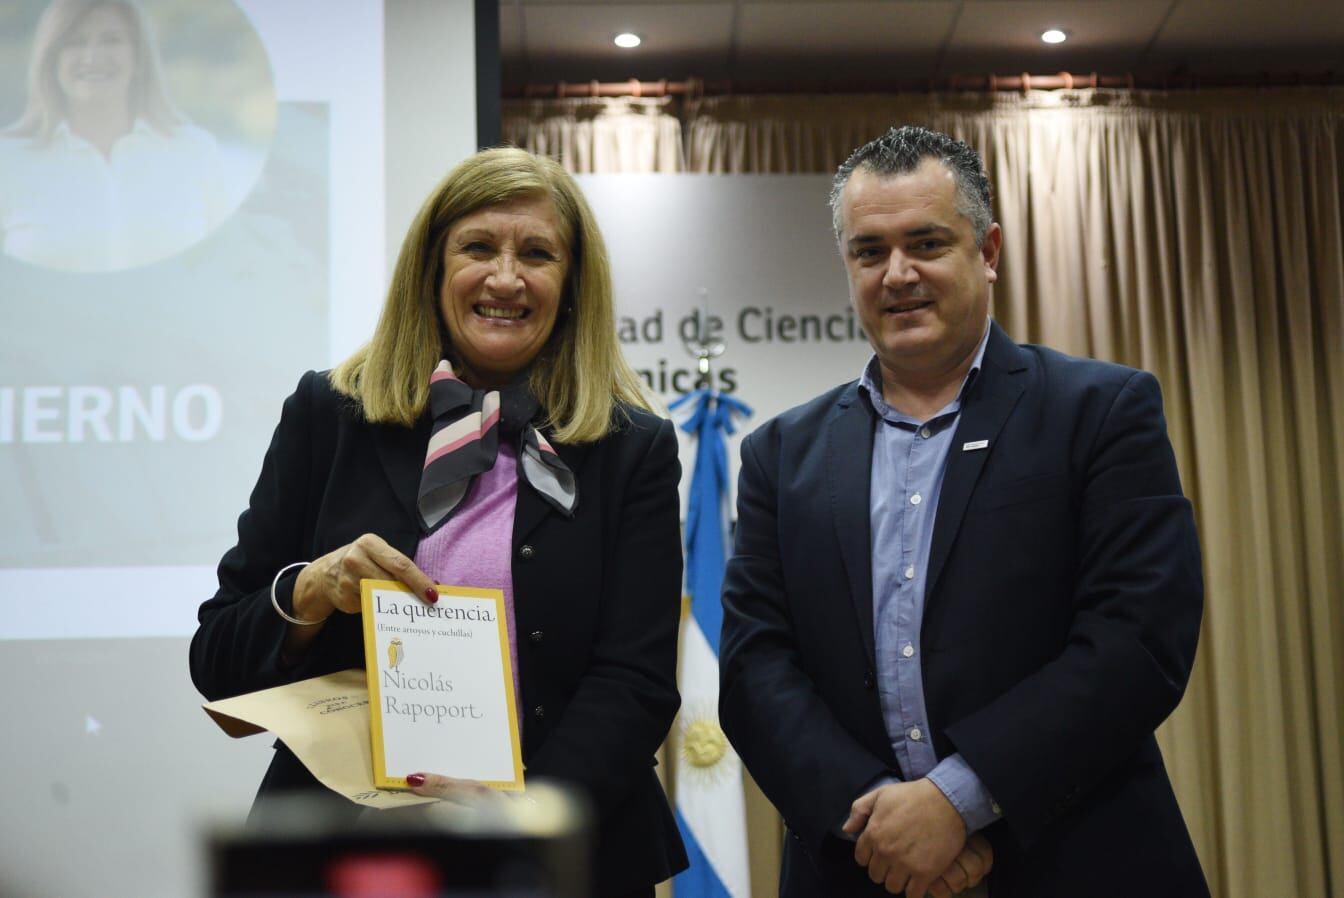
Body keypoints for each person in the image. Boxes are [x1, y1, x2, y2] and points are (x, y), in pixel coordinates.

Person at [719, 126, 1208, 897]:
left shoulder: (1103, 411)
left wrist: (959, 800)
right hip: (857, 869)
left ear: (988, 250)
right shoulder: (780, 454)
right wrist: (882, 824)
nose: (898, 273)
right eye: (869, 251)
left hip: (1080, 859)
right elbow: (755, 669)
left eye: (926, 243)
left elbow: (1139, 639)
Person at [190, 147, 688, 898]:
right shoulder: (330, 416)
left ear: (573, 285)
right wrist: (312, 590)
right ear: (432, 270)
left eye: (538, 254)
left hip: (562, 855)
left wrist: (530, 816)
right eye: (479, 248)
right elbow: (216, 663)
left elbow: (637, 679)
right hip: (345, 852)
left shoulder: (631, 449)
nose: (505, 278)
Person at [0, 0, 229, 271]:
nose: (92, 57)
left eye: (111, 40)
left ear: (139, 59)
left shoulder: (196, 151)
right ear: (51, 60)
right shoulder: (8, 161)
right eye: (75, 42)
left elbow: (224, 272)